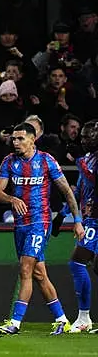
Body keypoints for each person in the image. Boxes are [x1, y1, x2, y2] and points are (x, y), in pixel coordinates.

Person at [0, 122, 83, 335]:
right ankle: (62, 319)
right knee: (39, 274)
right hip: (20, 224)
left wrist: (77, 220)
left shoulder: (46, 161)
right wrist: (11, 198)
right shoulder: (9, 162)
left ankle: (15, 323)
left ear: (33, 139)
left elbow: (67, 192)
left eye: (20, 138)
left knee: (25, 269)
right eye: (13, 139)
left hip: (40, 222)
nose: (15, 142)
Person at [56, 120, 98, 333]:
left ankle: (83, 318)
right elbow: (81, 189)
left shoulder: (87, 160)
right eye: (82, 136)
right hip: (91, 220)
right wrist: (62, 215)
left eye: (88, 136)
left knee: (77, 262)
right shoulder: (89, 158)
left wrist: (79, 161)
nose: (83, 140)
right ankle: (85, 318)